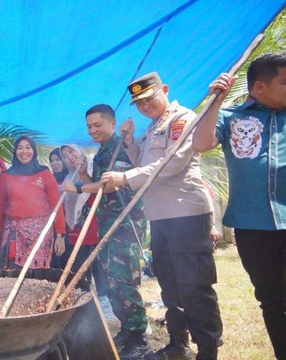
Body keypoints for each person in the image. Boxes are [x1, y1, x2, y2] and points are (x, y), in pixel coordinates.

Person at [101, 73, 223, 360]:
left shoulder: (182, 117)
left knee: (195, 286)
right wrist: (131, 143)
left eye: (148, 98)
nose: (144, 106)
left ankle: (207, 350)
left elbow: (171, 163)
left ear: (164, 90)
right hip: (160, 217)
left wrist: (124, 177)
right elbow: (145, 160)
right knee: (169, 284)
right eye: (139, 103)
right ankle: (178, 344)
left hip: (186, 214)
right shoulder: (154, 126)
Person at [193, 52, 286, 360]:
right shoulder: (231, 116)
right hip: (252, 226)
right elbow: (202, 143)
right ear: (259, 87)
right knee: (272, 300)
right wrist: (214, 101)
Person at [62, 105, 149, 360]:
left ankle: (139, 338)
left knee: (124, 281)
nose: (93, 130)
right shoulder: (102, 152)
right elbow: (97, 183)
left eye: (97, 125)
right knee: (110, 281)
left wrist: (76, 187)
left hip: (125, 224)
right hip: (107, 224)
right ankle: (127, 328)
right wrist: (82, 173)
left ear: (112, 123)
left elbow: (108, 187)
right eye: (89, 126)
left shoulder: (120, 147)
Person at [0, 136, 66, 271]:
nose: (24, 151)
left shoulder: (44, 174)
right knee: (11, 274)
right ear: (15, 152)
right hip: (14, 233)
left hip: (41, 235)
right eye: (20, 148)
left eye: (28, 147)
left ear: (34, 150)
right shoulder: (6, 176)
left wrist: (60, 235)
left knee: (37, 278)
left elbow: (57, 205)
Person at [58, 144, 101, 284]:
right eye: (64, 156)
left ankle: (103, 302)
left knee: (98, 270)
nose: (69, 157)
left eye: (71, 152)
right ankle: (86, 300)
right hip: (75, 229)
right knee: (79, 270)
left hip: (94, 227)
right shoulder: (68, 178)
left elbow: (99, 191)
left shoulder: (94, 169)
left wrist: (81, 180)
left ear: (79, 151)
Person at [49, 148, 72, 269]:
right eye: (52, 161)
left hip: (72, 229)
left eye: (58, 159)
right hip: (52, 228)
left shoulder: (72, 179)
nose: (54, 163)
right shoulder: (48, 179)